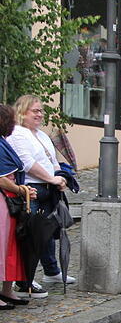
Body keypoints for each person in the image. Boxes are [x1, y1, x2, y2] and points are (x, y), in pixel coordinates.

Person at [8, 95, 71, 299]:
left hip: (47, 188)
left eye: (41, 111)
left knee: (47, 230)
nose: (39, 114)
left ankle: (52, 271)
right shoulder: (17, 134)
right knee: (31, 235)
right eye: (34, 110)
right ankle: (25, 279)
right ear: (22, 112)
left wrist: (59, 177)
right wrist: (51, 179)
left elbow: (51, 159)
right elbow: (27, 163)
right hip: (30, 189)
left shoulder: (41, 135)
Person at [0, 104, 34, 309]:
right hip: (3, 198)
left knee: (11, 245)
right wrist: (21, 190)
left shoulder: (3, 142)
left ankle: (7, 289)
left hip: (10, 197)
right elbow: (1, 179)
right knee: (1, 245)